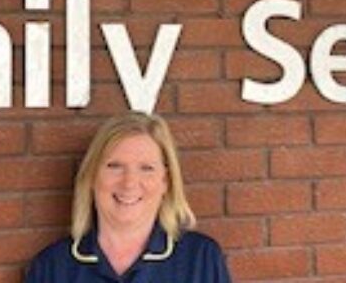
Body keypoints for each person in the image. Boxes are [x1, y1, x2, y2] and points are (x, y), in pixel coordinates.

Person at [24, 112, 232, 282]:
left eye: (146, 168)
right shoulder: (52, 267)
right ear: (92, 176)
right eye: (115, 166)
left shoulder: (200, 259)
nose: (129, 183)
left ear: (166, 182)